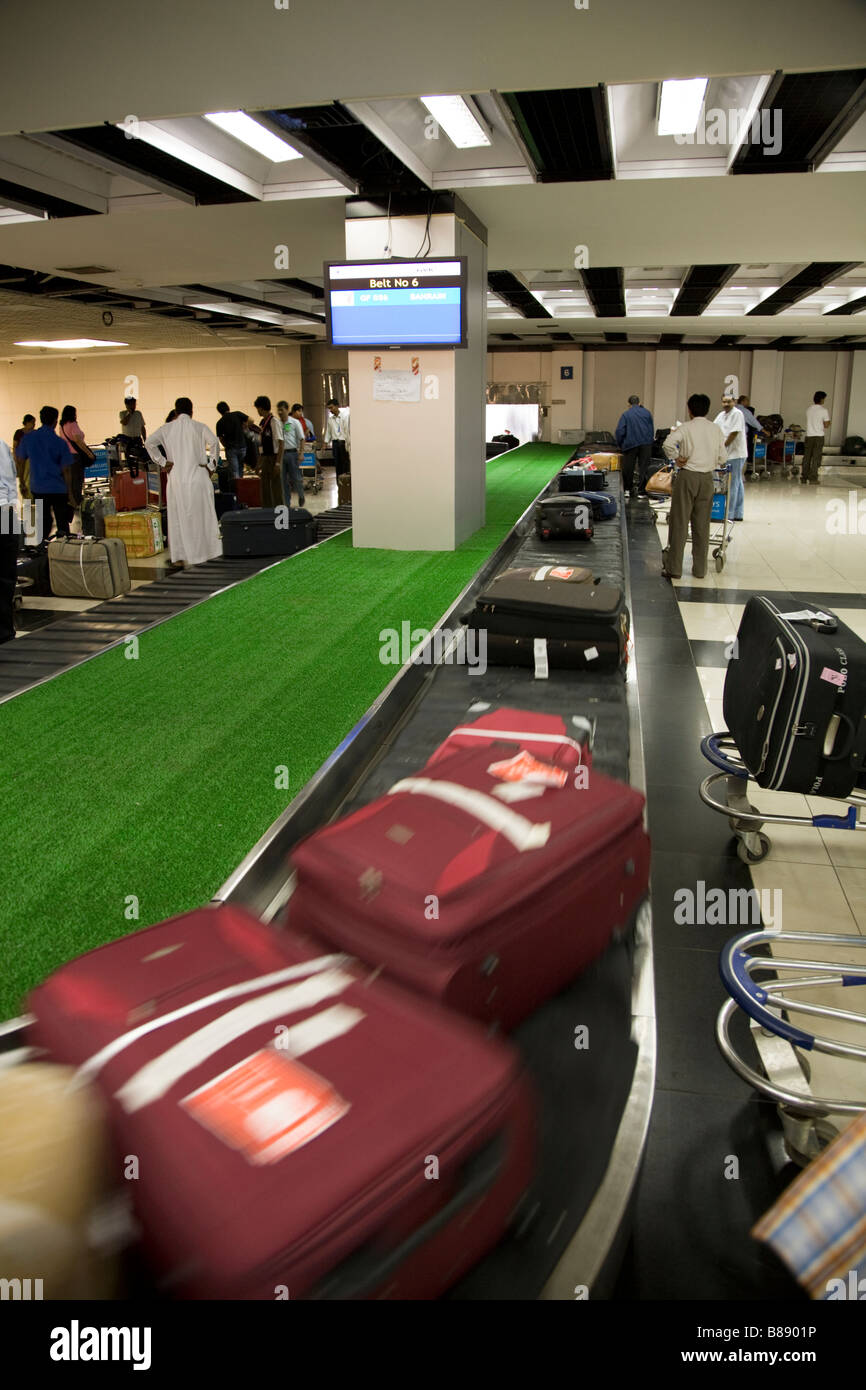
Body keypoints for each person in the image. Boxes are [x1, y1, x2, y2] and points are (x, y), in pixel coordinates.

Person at [143, 398, 221, 569]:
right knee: (203, 517)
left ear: (176, 412)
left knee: (177, 519)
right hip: (198, 477)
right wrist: (211, 466)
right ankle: (208, 554)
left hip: (177, 479)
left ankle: (179, 557)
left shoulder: (167, 428)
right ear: (192, 411)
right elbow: (214, 442)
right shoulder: (199, 427)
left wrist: (163, 462)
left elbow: (148, 443)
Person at [661, 394, 726, 580]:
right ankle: (699, 569)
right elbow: (723, 458)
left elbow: (667, 445)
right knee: (702, 525)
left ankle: (675, 568)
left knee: (680, 522)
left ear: (689, 410)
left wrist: (677, 458)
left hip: (687, 476)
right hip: (707, 479)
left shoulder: (686, 428)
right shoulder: (715, 429)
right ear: (707, 409)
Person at [17, 406, 75, 543]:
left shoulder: (28, 439)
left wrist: (22, 482)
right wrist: (70, 493)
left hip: (38, 488)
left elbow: (19, 460)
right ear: (55, 421)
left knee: (43, 520)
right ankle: (64, 548)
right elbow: (67, 470)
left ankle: (42, 548)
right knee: (62, 521)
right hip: (58, 489)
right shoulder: (60, 443)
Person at [714, 392, 747, 522]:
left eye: (729, 401)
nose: (726, 404)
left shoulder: (737, 413)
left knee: (733, 482)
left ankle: (731, 513)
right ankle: (738, 512)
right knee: (736, 481)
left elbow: (733, 434)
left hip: (736, 453)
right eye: (724, 402)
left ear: (734, 401)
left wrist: (722, 448)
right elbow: (713, 428)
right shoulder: (722, 415)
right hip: (727, 453)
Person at [614, 394, 654, 499]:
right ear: (639, 403)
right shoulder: (647, 413)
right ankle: (642, 491)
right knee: (644, 467)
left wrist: (620, 444)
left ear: (629, 404)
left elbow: (620, 431)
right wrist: (650, 443)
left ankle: (627, 490)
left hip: (630, 444)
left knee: (628, 468)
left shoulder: (626, 414)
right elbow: (651, 429)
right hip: (646, 444)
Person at [59, 405, 95, 516]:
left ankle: (72, 502)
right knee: (77, 480)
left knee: (69, 481)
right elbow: (78, 440)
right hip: (75, 456)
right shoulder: (73, 424)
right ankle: (77, 503)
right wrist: (89, 453)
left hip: (66, 456)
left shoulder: (62, 426)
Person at [0, 437, 19, 644]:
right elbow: (11, 478)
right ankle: (5, 633)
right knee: (5, 577)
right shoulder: (1, 445)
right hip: (5, 512)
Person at [252, 396, 284, 508]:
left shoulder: (274, 422)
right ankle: (267, 510)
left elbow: (281, 443)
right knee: (264, 486)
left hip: (273, 457)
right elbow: (262, 447)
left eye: (257, 408)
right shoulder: (262, 422)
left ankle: (280, 511)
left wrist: (278, 463)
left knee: (276, 487)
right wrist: (258, 464)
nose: (257, 411)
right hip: (265, 457)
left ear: (261, 408)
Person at [276, 401, 306, 508]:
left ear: (287, 410)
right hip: (281, 455)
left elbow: (302, 439)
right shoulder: (277, 423)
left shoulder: (294, 422)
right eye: (278, 410)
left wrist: (301, 453)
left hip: (292, 454)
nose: (280, 412)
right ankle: (287, 503)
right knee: (283, 481)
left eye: (282, 410)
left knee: (296, 478)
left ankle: (301, 495)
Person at [215, 402, 250, 479]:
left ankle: (236, 488)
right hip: (242, 446)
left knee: (234, 472)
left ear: (219, 411)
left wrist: (226, 446)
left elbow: (221, 439)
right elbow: (251, 420)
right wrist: (245, 428)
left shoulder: (219, 422)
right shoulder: (237, 414)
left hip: (231, 449)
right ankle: (241, 487)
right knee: (241, 469)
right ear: (228, 407)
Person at [803, 391, 831, 485]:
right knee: (816, 458)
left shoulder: (808, 409)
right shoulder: (823, 410)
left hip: (809, 436)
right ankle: (813, 478)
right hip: (819, 437)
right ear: (822, 399)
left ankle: (804, 476)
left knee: (807, 457)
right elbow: (827, 425)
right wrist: (824, 423)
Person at [323, 398, 350, 476]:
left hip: (343, 443)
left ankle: (346, 483)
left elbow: (347, 431)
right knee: (337, 465)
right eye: (329, 408)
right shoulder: (330, 419)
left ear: (337, 406)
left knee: (345, 464)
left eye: (331, 407)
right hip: (335, 444)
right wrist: (325, 443)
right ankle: (339, 484)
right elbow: (328, 432)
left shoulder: (345, 416)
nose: (330, 410)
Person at [12, 414, 35, 500]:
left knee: (27, 480)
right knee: (24, 480)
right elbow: (14, 446)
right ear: (27, 422)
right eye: (32, 422)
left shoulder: (35, 433)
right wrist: (15, 459)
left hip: (29, 461)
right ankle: (27, 500)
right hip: (22, 460)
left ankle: (29, 501)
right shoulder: (19, 433)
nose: (34, 424)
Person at [736, 395, 764, 466]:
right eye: (747, 401)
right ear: (742, 401)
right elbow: (754, 422)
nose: (748, 402)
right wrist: (764, 430)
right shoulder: (745, 411)